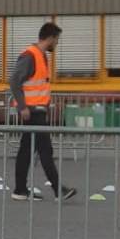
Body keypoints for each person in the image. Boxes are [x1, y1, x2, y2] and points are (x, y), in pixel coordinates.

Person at [10, 22, 76, 202]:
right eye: (57, 40)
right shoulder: (30, 56)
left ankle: (20, 190)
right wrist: (22, 106)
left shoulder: (40, 56)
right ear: (50, 38)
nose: (57, 44)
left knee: (26, 150)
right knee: (45, 149)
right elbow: (14, 81)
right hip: (32, 112)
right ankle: (58, 190)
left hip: (36, 111)